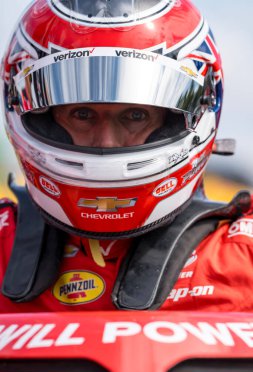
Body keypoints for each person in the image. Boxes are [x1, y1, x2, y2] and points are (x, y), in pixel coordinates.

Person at [0, 0, 252, 313]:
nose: (107, 141)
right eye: (82, 113)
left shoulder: (244, 255)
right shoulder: (2, 247)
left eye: (134, 115)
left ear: (196, 111)